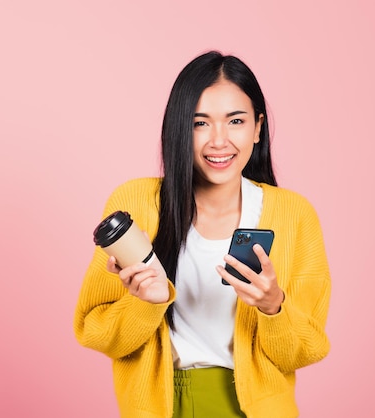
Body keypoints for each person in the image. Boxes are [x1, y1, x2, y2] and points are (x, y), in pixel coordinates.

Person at [73, 50, 331, 418]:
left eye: (236, 121)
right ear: (179, 128)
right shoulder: (137, 202)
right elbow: (95, 332)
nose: (219, 141)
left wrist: (273, 307)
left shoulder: (294, 214)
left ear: (258, 128)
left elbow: (304, 351)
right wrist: (145, 304)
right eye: (200, 123)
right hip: (158, 406)